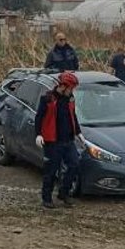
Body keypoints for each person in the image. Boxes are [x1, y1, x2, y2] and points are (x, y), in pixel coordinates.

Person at [34, 71, 84, 209]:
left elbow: (73, 116)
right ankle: (47, 197)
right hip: (52, 141)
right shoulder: (48, 98)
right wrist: (38, 134)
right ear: (63, 86)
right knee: (51, 170)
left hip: (68, 140)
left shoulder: (70, 99)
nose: (72, 91)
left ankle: (64, 192)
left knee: (74, 165)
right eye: (71, 88)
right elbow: (39, 117)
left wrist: (78, 132)